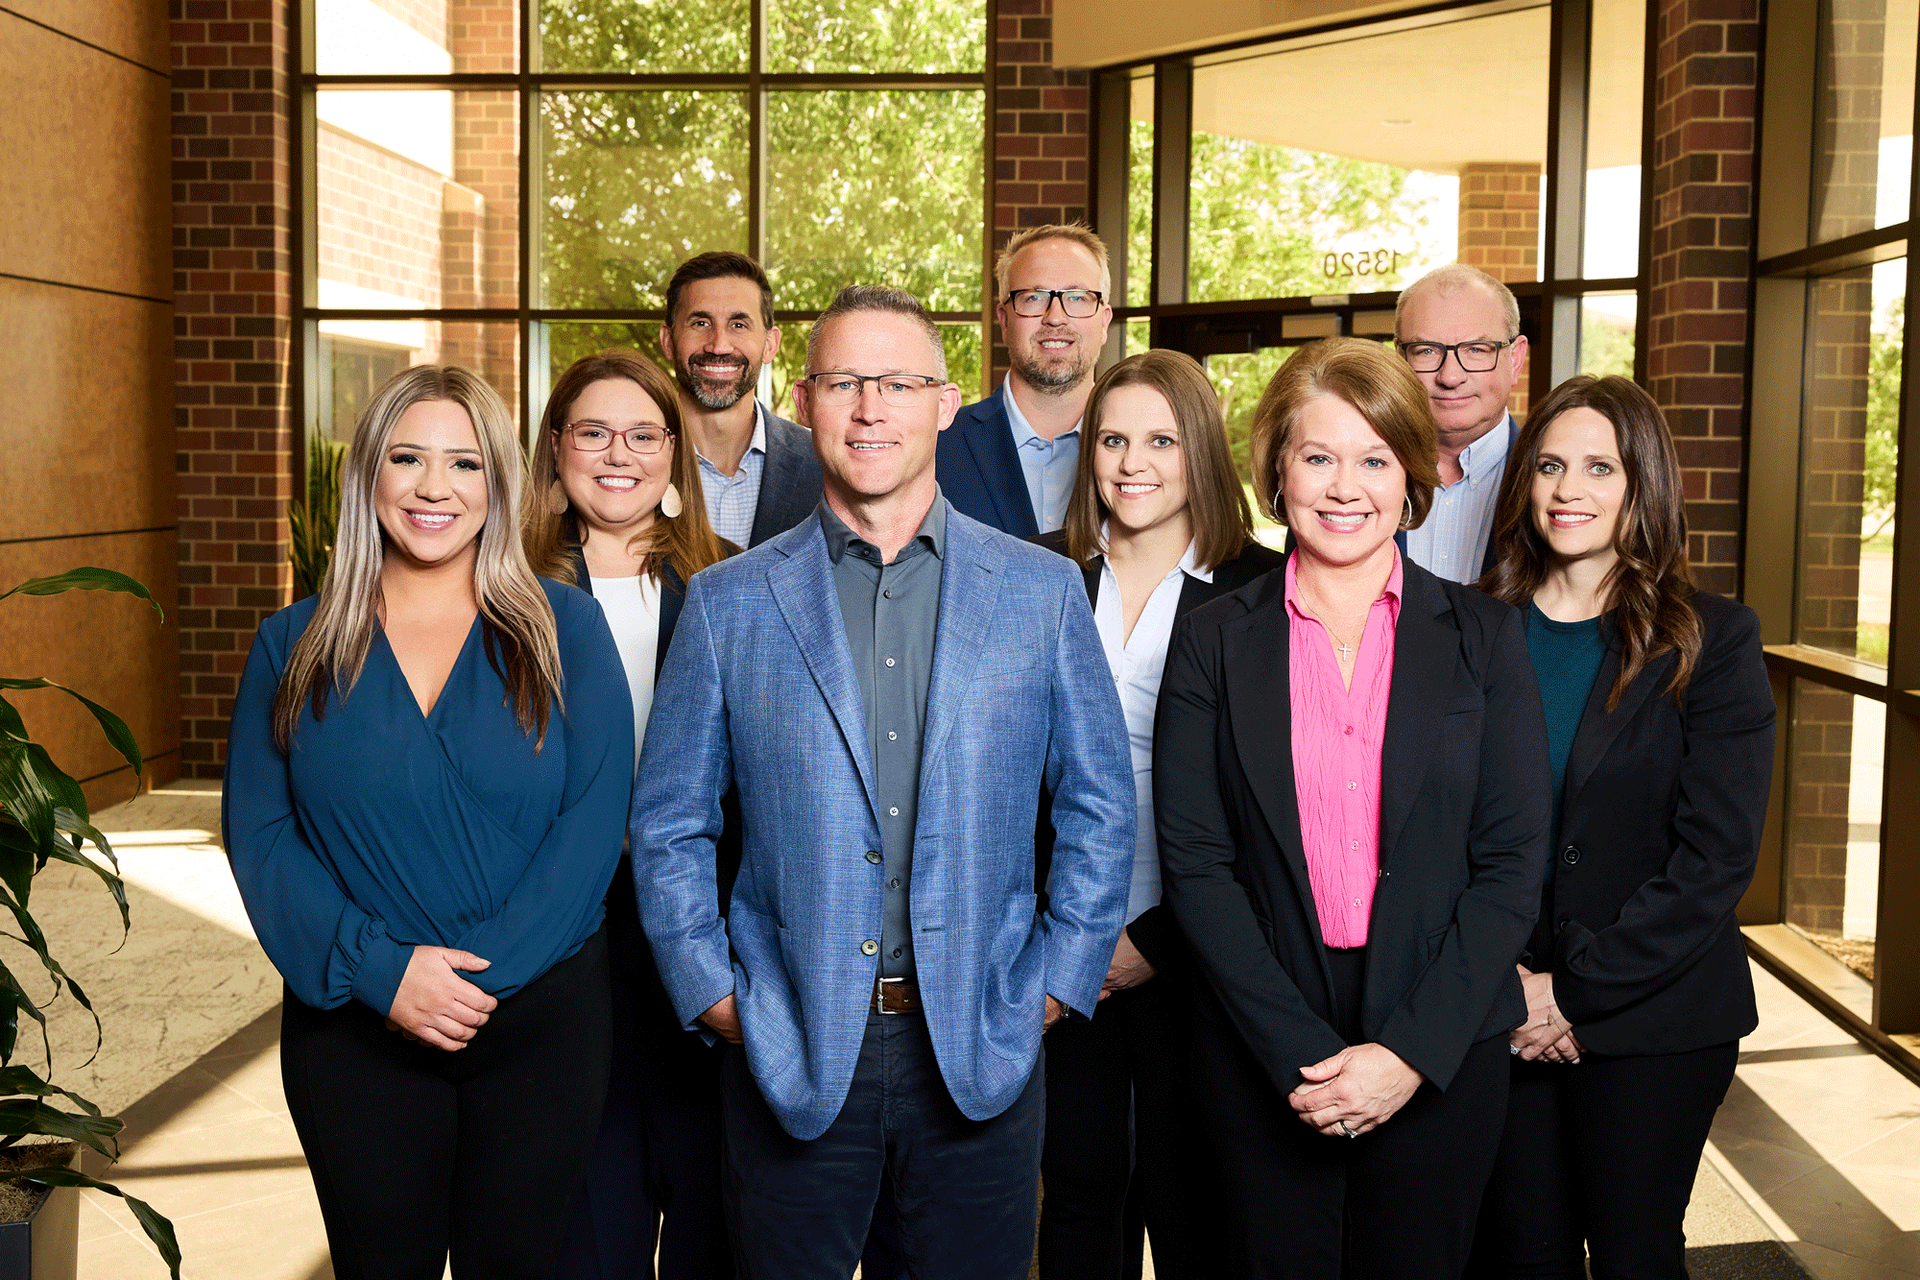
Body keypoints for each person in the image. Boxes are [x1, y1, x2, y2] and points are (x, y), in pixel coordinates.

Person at [633, 285, 1136, 1280]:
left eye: (899, 382)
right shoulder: (731, 601)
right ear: (807, 399)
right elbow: (670, 823)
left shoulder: (1038, 590)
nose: (872, 408)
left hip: (983, 1039)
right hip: (792, 1038)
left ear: (946, 402)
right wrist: (714, 992)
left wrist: (1056, 981)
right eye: (846, 382)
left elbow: (1099, 804)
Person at [223, 365, 633, 1279]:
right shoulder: (292, 645)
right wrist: (382, 973)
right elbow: (259, 835)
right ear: (369, 474)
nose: (435, 487)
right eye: (408, 458)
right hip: (355, 1028)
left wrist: (474, 981)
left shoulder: (568, 629)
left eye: (465, 462)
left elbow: (593, 820)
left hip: (541, 1024)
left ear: (499, 484)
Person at [1154, 336, 1551, 1279]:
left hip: (1441, 1024)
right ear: (1276, 472)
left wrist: (1406, 1055)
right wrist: (1299, 1053)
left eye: (1375, 459)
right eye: (1318, 456)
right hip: (1263, 1030)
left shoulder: (1485, 638)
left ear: (1411, 479)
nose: (1345, 486)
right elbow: (1196, 863)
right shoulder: (1211, 640)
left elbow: (1510, 866)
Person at [1465, 375, 1775, 1279]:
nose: (1570, 490)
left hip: (1657, 1015)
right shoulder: (1471, 628)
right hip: (1501, 1008)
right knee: (1522, 1251)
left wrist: (1573, 993)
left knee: (1636, 1251)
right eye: (1551, 465)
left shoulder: (1713, 640)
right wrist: (1509, 986)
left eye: (1601, 467)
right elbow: (1435, 832)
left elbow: (1716, 858)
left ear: (1643, 484)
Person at [1032, 349, 1283, 1280]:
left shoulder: (1263, 589)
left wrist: (1158, 941)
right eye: (1112, 438)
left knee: (1196, 1202)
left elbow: (1272, 808)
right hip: (1062, 944)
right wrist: (1067, 938)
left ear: (1202, 452)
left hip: (1207, 945)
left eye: (1161, 440)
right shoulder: (1040, 575)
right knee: (1079, 1191)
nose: (1133, 462)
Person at [524, 350, 736, 1280]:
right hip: (562, 937)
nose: (620, 454)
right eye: (594, 432)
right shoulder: (504, 589)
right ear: (556, 450)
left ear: (673, 454)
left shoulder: (735, 583)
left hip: (705, 935)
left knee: (709, 1197)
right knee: (588, 1206)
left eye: (645, 434)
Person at [938, 223, 1114, 536]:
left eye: (1077, 298)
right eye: (1033, 298)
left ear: (1104, 321)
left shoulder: (1146, 456)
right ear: (1004, 321)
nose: (1056, 317)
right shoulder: (937, 445)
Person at [660, 251, 823, 547]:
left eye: (739, 325)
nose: (719, 345)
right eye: (700, 323)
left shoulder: (822, 463)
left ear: (770, 344)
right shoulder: (631, 460)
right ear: (668, 341)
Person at [1393, 263, 1529, 583]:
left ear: (1515, 360)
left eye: (1477, 350)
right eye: (1426, 351)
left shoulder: (1551, 487)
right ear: (1400, 359)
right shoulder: (1354, 478)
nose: (1450, 377)